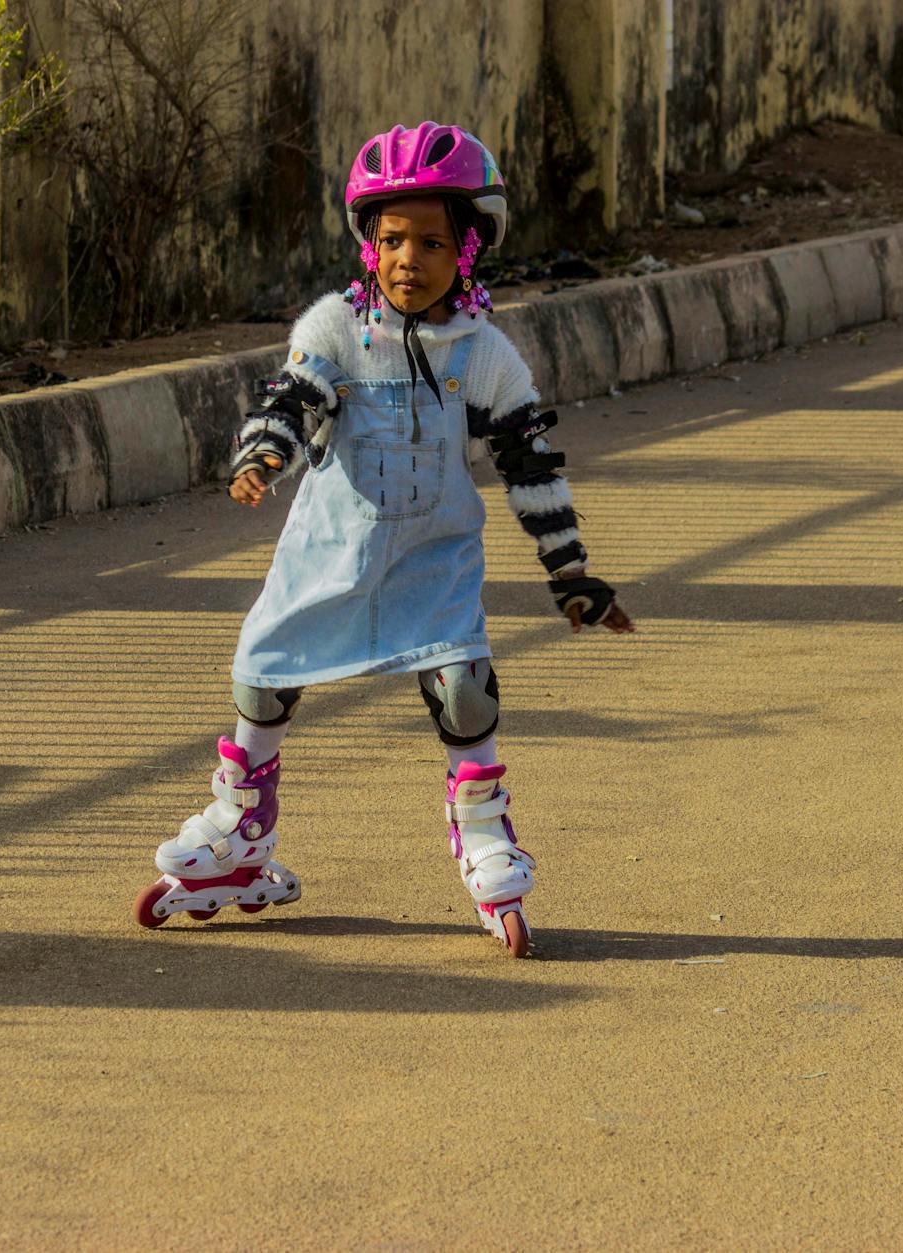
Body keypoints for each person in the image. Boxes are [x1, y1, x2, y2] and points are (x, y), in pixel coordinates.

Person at [132, 122, 634, 956]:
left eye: (432, 242)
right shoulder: (334, 329)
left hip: (432, 560)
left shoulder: (483, 355)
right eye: (392, 238)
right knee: (262, 675)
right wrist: (264, 454)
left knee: (465, 690)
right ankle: (242, 831)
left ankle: (483, 834)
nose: (409, 258)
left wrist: (569, 567)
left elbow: (529, 461)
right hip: (327, 554)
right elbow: (291, 400)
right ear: (370, 245)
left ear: (468, 250)